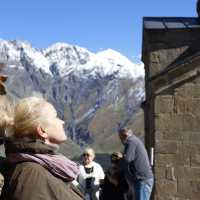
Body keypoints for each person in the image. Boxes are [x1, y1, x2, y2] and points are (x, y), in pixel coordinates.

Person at [0, 96, 83, 200]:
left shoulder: (44, 167)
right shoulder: (31, 174)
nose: (62, 122)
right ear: (42, 131)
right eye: (55, 117)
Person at [118, 127, 153, 200]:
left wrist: (120, 158)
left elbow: (128, 159)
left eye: (122, 137)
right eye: (120, 137)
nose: (121, 140)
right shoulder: (135, 140)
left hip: (142, 179)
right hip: (142, 178)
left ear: (126, 135)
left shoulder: (130, 141)